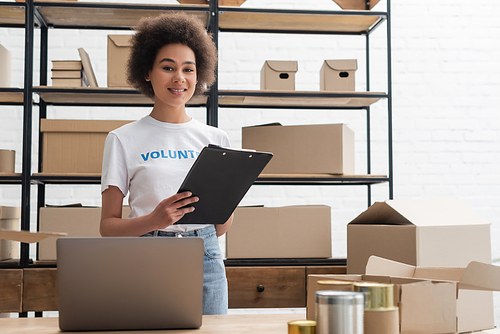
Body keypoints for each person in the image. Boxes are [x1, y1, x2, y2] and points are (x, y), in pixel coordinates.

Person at [99, 12, 232, 315]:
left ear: (199, 75)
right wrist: (155, 221)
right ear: (147, 71)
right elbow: (107, 227)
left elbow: (221, 227)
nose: (179, 78)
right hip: (147, 253)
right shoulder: (122, 139)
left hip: (207, 255)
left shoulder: (216, 139)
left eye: (188, 69)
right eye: (168, 67)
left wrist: (229, 199)